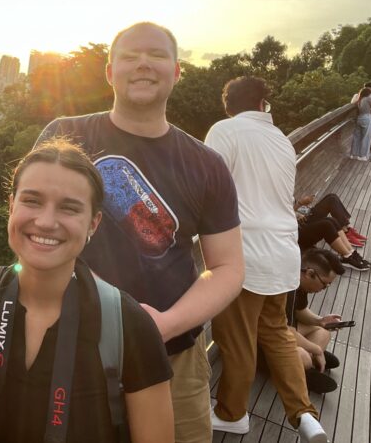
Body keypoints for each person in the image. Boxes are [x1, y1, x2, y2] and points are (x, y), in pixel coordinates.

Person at [37, 22, 244, 443]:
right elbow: (35, 231)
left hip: (175, 358)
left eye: (156, 55)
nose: (143, 64)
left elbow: (227, 267)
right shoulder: (66, 136)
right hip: (68, 345)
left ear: (177, 71)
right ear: (110, 72)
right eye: (130, 56)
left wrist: (163, 325)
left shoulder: (206, 165)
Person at [0, 139, 175, 443]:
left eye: (69, 208)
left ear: (93, 223)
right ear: (11, 206)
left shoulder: (128, 327)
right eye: (32, 201)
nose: (46, 221)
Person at [205, 76, 328, 443]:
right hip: (284, 251)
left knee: (237, 340)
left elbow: (207, 187)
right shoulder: (280, 140)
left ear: (230, 107)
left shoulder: (224, 131)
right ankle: (305, 415)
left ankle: (232, 414)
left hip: (245, 254)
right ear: (262, 104)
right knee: (275, 333)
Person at [286, 249, 346, 395]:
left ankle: (305, 366)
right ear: (309, 273)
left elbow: (300, 311)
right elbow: (287, 332)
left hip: (281, 332)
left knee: (323, 332)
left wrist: (320, 321)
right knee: (304, 357)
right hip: (258, 338)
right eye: (324, 284)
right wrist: (316, 349)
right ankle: (302, 370)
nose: (324, 289)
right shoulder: (286, 288)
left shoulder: (300, 283)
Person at [351, 81, 371, 158]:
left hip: (360, 117)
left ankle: (354, 154)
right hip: (369, 118)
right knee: (369, 137)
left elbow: (352, 104)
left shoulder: (358, 96)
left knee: (358, 136)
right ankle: (365, 155)